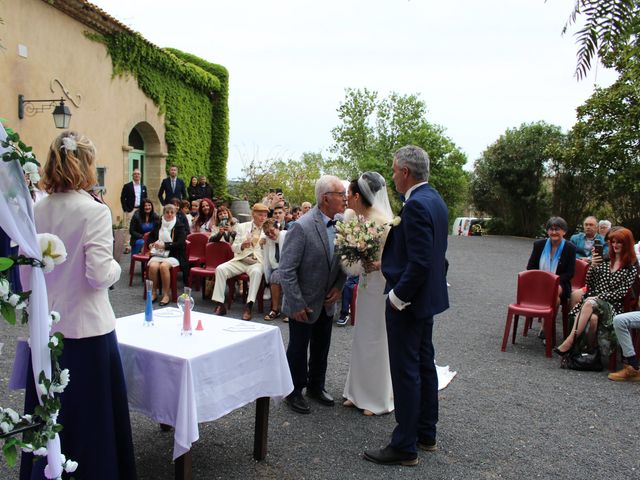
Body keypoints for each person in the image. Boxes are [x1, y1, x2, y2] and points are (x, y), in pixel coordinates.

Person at [20, 130, 137, 479]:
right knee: (92, 420)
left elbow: (26, 279)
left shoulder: (34, 209)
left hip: (46, 331)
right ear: (86, 165)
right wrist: (118, 264)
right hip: (88, 332)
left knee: (50, 416)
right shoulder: (94, 212)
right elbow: (100, 275)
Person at [364, 145, 449, 466]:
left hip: (410, 302)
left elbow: (421, 261)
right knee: (425, 364)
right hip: (426, 300)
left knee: (406, 370)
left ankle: (404, 445)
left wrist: (397, 297)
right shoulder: (436, 200)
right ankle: (426, 432)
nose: (392, 175)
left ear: (404, 172)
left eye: (393, 169)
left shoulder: (415, 206)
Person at [279, 175, 347, 415]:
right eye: (340, 194)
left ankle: (316, 386)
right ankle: (294, 391)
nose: (345, 198)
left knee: (322, 346)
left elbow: (343, 263)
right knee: (298, 348)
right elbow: (286, 270)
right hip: (303, 303)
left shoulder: (341, 224)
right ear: (325, 198)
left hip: (327, 301)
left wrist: (339, 287)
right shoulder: (302, 226)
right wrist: (296, 303)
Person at [342, 172, 395, 417]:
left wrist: (379, 264)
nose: (346, 198)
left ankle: (376, 398)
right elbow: (348, 257)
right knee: (361, 336)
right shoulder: (352, 216)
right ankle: (356, 392)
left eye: (348, 194)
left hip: (380, 284)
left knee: (377, 338)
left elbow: (396, 259)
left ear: (357, 195)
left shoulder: (384, 221)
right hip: (363, 283)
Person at [554, 227, 638, 361]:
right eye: (613, 242)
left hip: (612, 306)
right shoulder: (604, 260)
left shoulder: (630, 268)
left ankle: (570, 342)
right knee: (592, 319)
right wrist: (593, 266)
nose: (615, 245)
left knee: (588, 303)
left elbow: (621, 293)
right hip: (593, 302)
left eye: (619, 242)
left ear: (626, 244)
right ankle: (588, 352)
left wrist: (599, 297)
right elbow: (590, 283)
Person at [211, 203, 269, 320]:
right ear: (253, 215)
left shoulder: (268, 229)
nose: (263, 218)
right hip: (241, 259)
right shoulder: (242, 227)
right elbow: (234, 247)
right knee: (220, 269)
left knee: (256, 273)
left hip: (257, 262)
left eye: (265, 215)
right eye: (260, 215)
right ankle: (220, 304)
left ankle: (249, 306)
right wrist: (242, 245)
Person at [526, 216, 577, 339]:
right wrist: (542, 280)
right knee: (556, 300)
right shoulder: (539, 245)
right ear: (547, 231)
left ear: (564, 231)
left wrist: (554, 281)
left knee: (555, 291)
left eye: (557, 229)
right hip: (539, 282)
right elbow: (530, 267)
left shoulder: (570, 248)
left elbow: (570, 273)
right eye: (551, 229)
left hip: (561, 283)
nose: (554, 232)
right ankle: (548, 327)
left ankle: (545, 327)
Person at [147, 204, 188, 306]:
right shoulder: (159, 223)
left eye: (172, 212)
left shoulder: (179, 225)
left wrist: (165, 246)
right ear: (164, 213)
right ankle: (153, 293)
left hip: (174, 254)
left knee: (164, 266)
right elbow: (151, 237)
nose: (169, 215)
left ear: (175, 214)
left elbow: (181, 243)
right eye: (167, 212)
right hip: (158, 254)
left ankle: (166, 295)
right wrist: (151, 244)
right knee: (153, 266)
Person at [261, 217, 287, 320]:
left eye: (272, 231)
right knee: (274, 276)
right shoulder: (267, 240)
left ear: (278, 227)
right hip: (277, 267)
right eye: (267, 233)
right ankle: (275, 309)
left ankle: (288, 310)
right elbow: (267, 261)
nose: (270, 235)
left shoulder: (286, 235)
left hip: (291, 267)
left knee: (287, 277)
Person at [120, 168, 147, 251]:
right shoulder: (127, 186)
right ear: (132, 176)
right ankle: (128, 246)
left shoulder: (143, 187)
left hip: (141, 210)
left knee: (141, 227)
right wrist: (126, 209)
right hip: (131, 210)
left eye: (138, 174)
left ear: (140, 176)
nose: (137, 175)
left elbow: (145, 198)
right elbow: (122, 198)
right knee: (128, 227)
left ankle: (140, 245)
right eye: (135, 174)